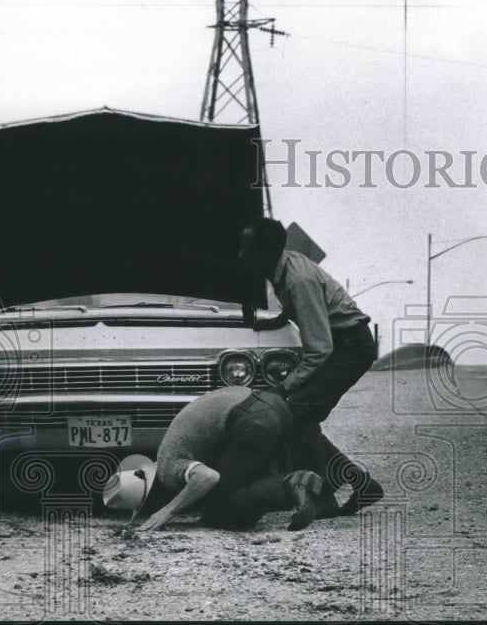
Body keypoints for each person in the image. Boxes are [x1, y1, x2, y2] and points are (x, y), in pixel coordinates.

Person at [238, 217, 384, 516]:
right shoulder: (282, 266)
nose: (240, 254)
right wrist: (276, 321)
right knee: (296, 416)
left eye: (246, 248)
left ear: (265, 253)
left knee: (297, 414)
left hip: (349, 348)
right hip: (342, 344)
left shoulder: (297, 279)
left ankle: (322, 498)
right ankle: (357, 482)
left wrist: (283, 386)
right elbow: (300, 308)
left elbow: (320, 349)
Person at [103, 386, 327, 531]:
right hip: (272, 403)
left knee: (217, 510)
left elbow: (208, 477)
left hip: (250, 419)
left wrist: (168, 510)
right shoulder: (169, 450)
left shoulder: (167, 470)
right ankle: (293, 485)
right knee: (243, 482)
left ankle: (289, 485)